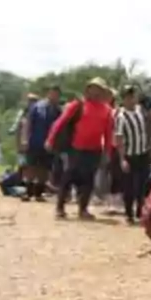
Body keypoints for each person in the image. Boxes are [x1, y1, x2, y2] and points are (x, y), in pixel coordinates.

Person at [45, 79, 115, 219]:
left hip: (94, 150)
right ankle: (60, 207)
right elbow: (60, 123)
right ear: (87, 90)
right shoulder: (78, 105)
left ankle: (83, 209)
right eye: (92, 88)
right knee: (68, 177)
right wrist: (50, 139)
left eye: (98, 89)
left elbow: (108, 133)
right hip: (75, 149)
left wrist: (107, 151)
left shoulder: (107, 110)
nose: (95, 92)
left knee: (88, 180)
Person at [114, 85, 151, 224]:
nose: (131, 99)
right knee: (129, 186)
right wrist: (122, 159)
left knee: (141, 185)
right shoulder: (121, 116)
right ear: (123, 99)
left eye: (133, 96)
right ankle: (128, 213)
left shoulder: (140, 111)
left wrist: (150, 147)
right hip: (130, 155)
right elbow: (119, 138)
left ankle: (139, 211)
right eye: (128, 97)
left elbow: (147, 129)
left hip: (143, 153)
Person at [22, 86, 63, 201]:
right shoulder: (37, 107)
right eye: (52, 93)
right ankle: (28, 192)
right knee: (31, 166)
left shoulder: (58, 111)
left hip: (49, 143)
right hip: (35, 141)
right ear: (48, 93)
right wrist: (25, 139)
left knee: (44, 168)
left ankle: (38, 193)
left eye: (56, 95)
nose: (54, 96)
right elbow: (28, 123)